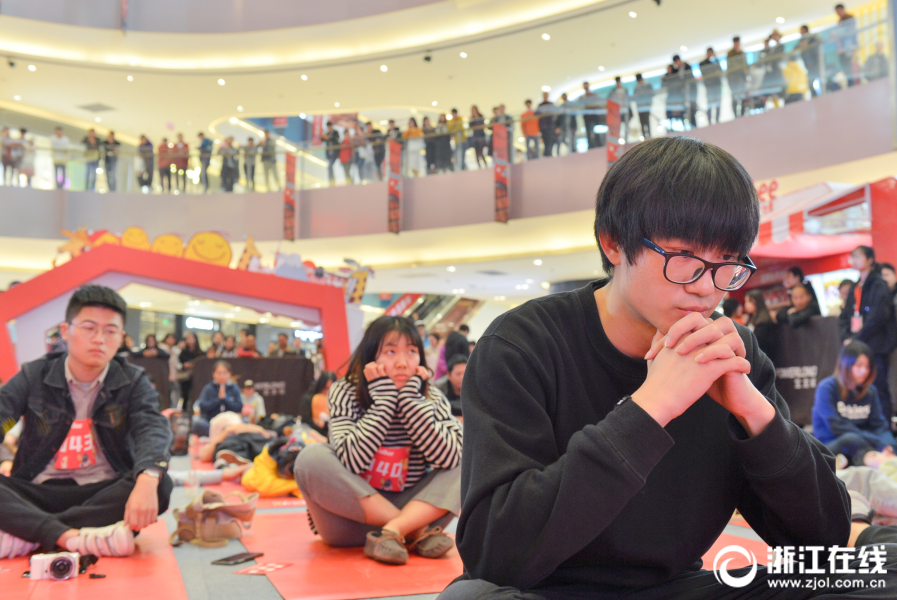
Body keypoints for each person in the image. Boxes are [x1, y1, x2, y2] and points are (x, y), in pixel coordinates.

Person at [439, 137, 860, 599]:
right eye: (683, 259)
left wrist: (755, 415)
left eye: (727, 265)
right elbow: (494, 554)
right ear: (614, 243)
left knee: (878, 571)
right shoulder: (521, 344)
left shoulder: (732, 351)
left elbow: (824, 545)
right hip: (545, 591)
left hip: (674, 589)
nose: (706, 289)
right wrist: (652, 406)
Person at [0, 285, 172, 559]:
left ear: (121, 337)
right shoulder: (34, 376)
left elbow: (150, 427)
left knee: (158, 483)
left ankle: (32, 534)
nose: (99, 338)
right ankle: (76, 537)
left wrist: (148, 479)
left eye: (110, 331)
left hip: (100, 493)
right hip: (37, 491)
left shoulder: (132, 381)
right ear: (66, 331)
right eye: (89, 328)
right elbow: (2, 420)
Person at [293, 316, 461, 566]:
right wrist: (384, 402)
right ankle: (411, 532)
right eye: (391, 351)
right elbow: (352, 461)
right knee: (310, 458)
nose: (403, 363)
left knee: (468, 454)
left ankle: (397, 529)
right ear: (371, 357)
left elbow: (448, 458)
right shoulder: (346, 390)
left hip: (416, 508)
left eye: (412, 352)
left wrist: (411, 403)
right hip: (350, 520)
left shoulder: (431, 395)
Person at [840, 245, 897, 427]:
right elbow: (846, 316)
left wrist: (855, 338)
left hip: (876, 346)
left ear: (870, 260)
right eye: (852, 257)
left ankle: (885, 430)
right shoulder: (857, 286)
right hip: (858, 346)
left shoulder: (879, 284)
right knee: (858, 388)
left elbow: (877, 317)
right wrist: (847, 337)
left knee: (878, 388)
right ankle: (866, 427)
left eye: (858, 256)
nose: (854, 260)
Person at [813, 342, 896, 466]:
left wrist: (888, 445)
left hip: (863, 443)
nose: (864, 371)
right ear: (846, 365)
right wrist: (878, 443)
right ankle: (880, 461)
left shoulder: (870, 391)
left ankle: (882, 460)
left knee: (890, 443)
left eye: (868, 367)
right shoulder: (826, 388)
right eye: (859, 365)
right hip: (831, 444)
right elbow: (836, 427)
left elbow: (879, 425)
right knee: (850, 439)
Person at [192, 361, 243, 437]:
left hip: (230, 423)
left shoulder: (234, 388)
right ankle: (223, 436)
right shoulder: (208, 388)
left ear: (230, 374)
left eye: (225, 373)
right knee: (198, 424)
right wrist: (218, 400)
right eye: (219, 373)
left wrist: (225, 399)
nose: (222, 376)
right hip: (211, 423)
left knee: (245, 423)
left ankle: (225, 435)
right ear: (213, 374)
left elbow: (239, 407)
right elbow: (203, 407)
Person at [744, 288, 780, 365]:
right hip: (751, 360)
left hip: (763, 361)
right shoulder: (750, 319)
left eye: (748, 301)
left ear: (756, 302)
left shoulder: (765, 322)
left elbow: (763, 344)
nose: (745, 305)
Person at [300, 371, 337, 437]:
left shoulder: (337, 399)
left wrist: (325, 425)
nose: (327, 391)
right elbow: (305, 419)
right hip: (312, 431)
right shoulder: (309, 398)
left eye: (330, 388)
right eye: (326, 388)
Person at [178, 332, 203, 410]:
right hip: (185, 378)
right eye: (188, 338)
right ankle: (184, 411)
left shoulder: (200, 352)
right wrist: (184, 365)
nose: (190, 340)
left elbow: (202, 363)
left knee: (196, 394)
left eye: (192, 338)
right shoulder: (183, 353)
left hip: (197, 377)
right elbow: (178, 364)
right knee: (185, 395)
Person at [835, 4, 858, 86]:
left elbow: (850, 32)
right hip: (842, 49)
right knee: (845, 67)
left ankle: (853, 83)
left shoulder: (849, 18)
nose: (838, 13)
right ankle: (850, 83)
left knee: (849, 66)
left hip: (849, 47)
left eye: (839, 10)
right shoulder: (840, 21)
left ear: (843, 9)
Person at [699, 48, 723, 124]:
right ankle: (709, 121)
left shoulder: (715, 61)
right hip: (709, 86)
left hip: (717, 85)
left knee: (718, 104)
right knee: (710, 104)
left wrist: (716, 59)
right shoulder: (703, 63)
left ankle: (717, 120)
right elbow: (706, 72)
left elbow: (720, 70)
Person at [727, 36, 749, 118]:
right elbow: (732, 65)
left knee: (743, 97)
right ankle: (736, 115)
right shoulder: (730, 53)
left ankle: (743, 114)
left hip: (742, 78)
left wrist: (746, 75)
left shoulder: (742, 53)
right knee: (735, 97)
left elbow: (745, 65)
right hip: (734, 79)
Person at [798, 25, 822, 95]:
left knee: (821, 80)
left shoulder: (812, 37)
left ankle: (823, 94)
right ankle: (815, 97)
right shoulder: (801, 40)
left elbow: (816, 48)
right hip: (809, 65)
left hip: (816, 63)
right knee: (810, 83)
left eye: (801, 30)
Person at [607, 77, 629, 142]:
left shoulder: (625, 90)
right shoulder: (613, 92)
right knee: (618, 126)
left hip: (625, 109)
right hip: (617, 111)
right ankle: (618, 140)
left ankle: (626, 139)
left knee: (626, 125)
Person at [632, 74, 654, 139]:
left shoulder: (646, 85)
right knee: (643, 122)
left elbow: (651, 94)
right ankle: (646, 137)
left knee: (646, 122)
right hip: (641, 107)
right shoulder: (637, 87)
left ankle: (649, 136)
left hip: (645, 106)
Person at [536, 92, 557, 157]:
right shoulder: (540, 105)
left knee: (550, 139)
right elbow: (536, 114)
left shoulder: (551, 104)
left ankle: (549, 153)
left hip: (550, 125)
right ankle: (547, 153)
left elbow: (555, 113)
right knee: (545, 139)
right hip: (543, 126)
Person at [580, 81, 600, 149]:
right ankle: (591, 146)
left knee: (595, 132)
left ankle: (597, 145)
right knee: (589, 133)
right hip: (587, 118)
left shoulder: (593, 95)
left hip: (594, 117)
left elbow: (597, 103)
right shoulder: (582, 97)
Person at [322, 122, 340, 186]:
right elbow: (322, 139)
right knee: (330, 167)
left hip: (334, 153)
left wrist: (328, 138)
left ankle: (332, 181)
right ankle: (331, 181)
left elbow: (336, 138)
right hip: (329, 154)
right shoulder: (327, 134)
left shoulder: (335, 133)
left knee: (330, 167)